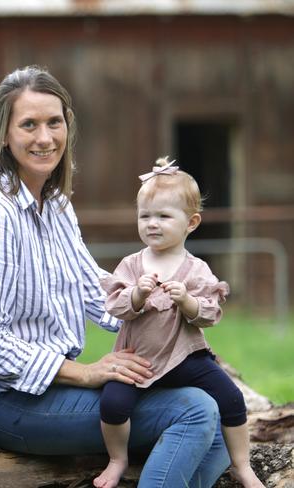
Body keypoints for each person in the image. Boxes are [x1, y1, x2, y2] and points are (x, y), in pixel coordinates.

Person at [0, 66, 230, 488]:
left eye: (54, 122)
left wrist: (176, 341)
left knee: (222, 411)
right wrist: (85, 373)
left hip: (55, 390)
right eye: (28, 124)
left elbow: (100, 294)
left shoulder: (56, 205)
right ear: (3, 135)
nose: (45, 138)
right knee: (194, 410)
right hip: (9, 403)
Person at [95, 157, 263, 488]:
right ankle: (118, 459)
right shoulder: (131, 265)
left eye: (163, 216)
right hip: (138, 357)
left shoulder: (196, 269)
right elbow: (113, 306)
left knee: (230, 398)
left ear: (191, 222)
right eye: (145, 216)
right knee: (113, 404)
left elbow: (211, 313)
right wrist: (137, 296)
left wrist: (187, 300)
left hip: (185, 356)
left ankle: (242, 466)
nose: (152, 224)